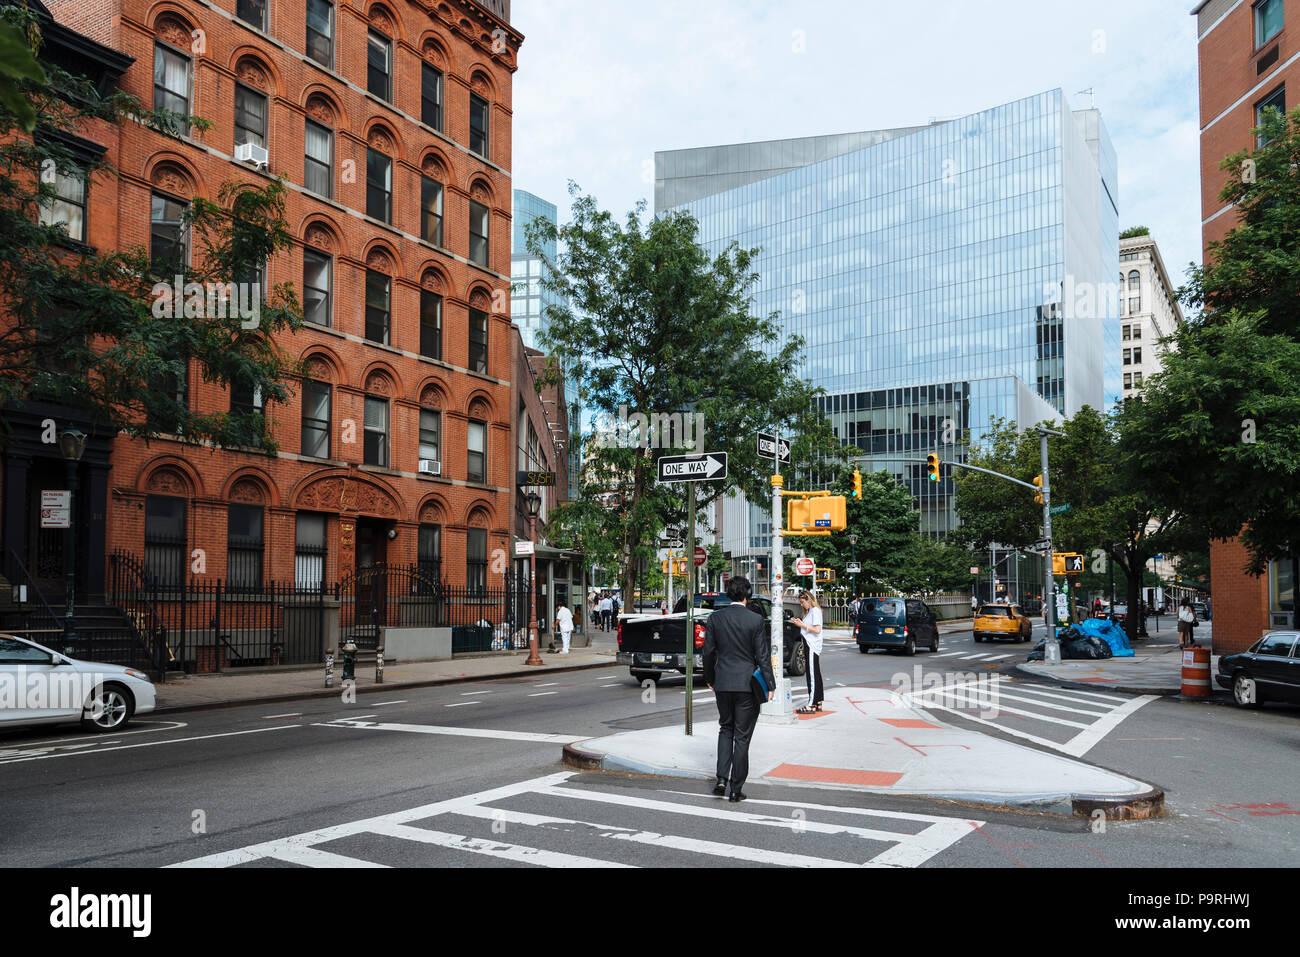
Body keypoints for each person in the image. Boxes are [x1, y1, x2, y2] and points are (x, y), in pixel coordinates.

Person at [701, 575, 774, 803]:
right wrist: (770, 685)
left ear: (728, 593)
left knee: (725, 728)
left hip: (722, 682)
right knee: (742, 736)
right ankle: (736, 788)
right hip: (746, 685)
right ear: (747, 594)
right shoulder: (755, 620)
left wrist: (710, 678)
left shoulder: (715, 618)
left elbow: (708, 653)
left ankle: (721, 779)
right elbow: (762, 656)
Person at [790, 590, 824, 714]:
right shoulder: (810, 612)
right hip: (810, 645)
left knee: (812, 675)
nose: (801, 604)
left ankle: (811, 704)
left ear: (808, 600)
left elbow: (817, 630)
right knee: (815, 673)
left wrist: (802, 625)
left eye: (802, 602)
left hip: (813, 646)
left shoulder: (815, 611)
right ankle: (818, 701)